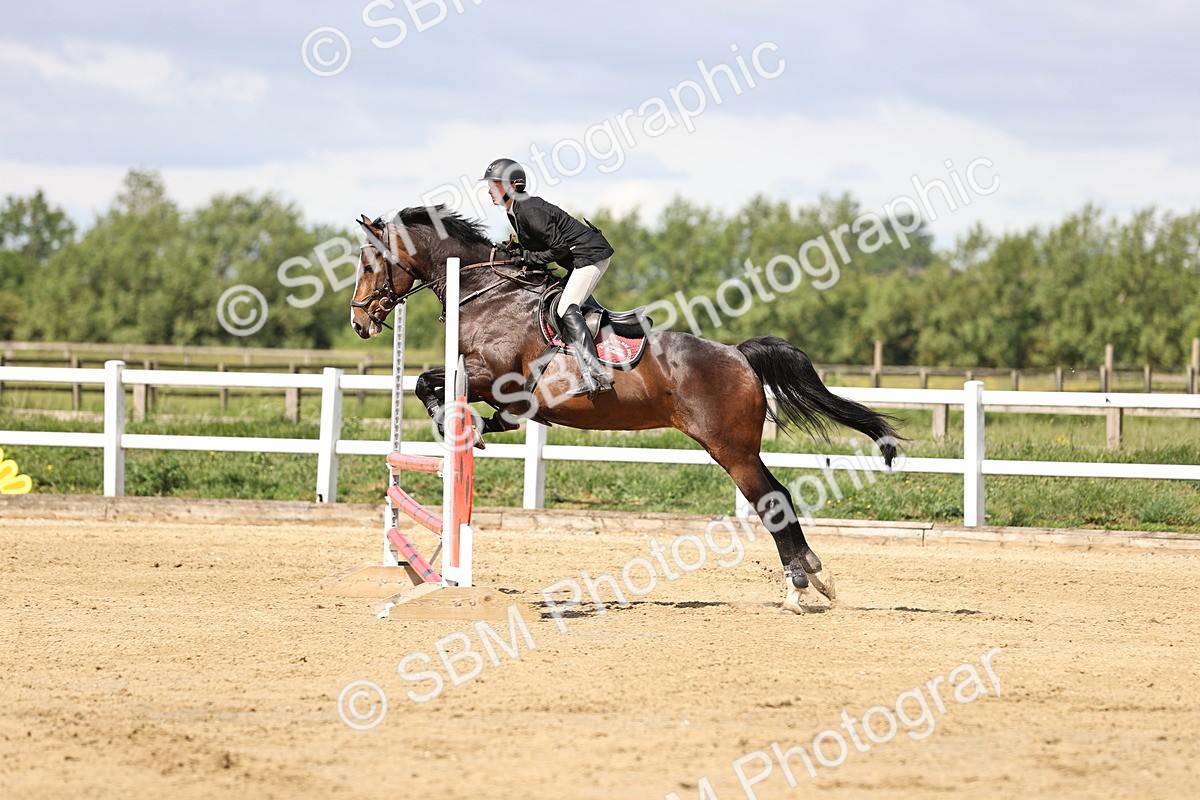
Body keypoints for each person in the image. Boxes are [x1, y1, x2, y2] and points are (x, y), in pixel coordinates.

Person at [480, 157, 614, 397]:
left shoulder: (528, 210)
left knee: (565, 308)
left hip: (590, 256)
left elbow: (558, 249)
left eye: (495, 184)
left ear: (513, 185)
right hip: (578, 259)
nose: (490, 190)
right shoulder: (515, 210)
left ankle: (596, 374)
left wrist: (526, 257)